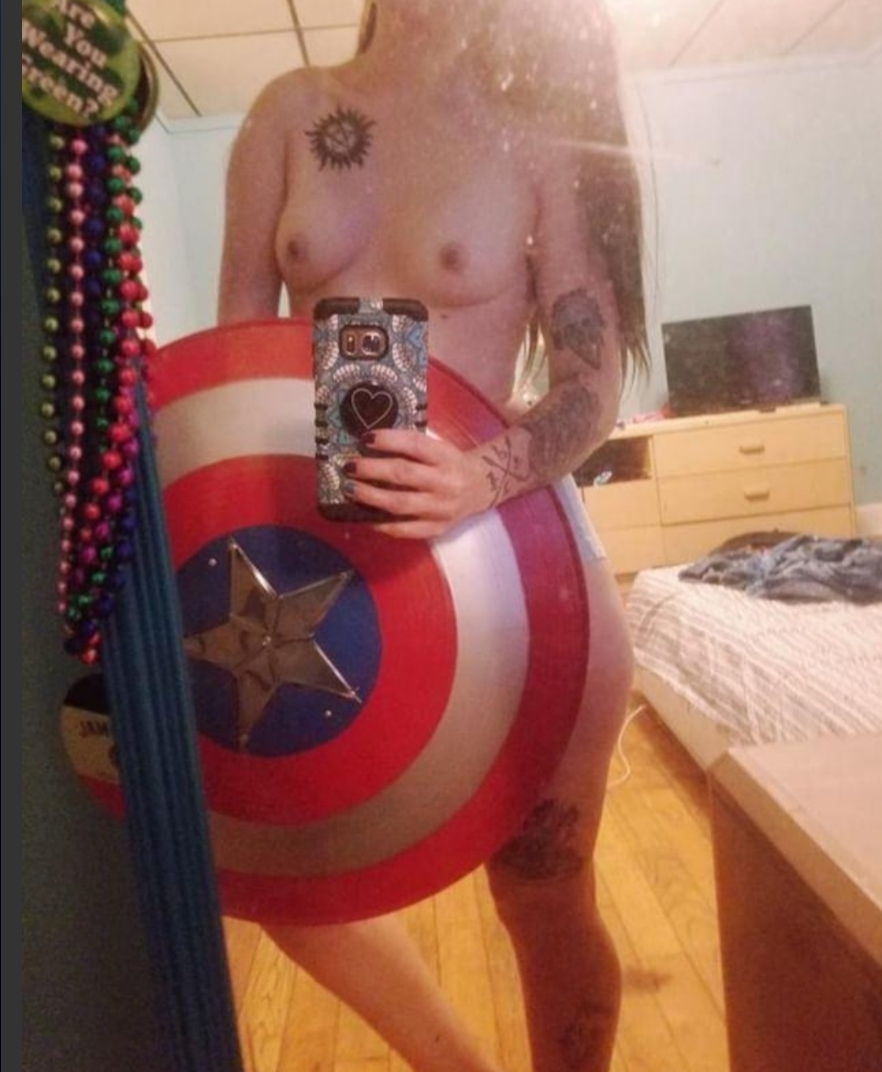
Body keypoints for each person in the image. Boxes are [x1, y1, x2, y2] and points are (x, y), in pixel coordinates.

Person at [217, 2, 649, 1070]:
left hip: (518, 556)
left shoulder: (536, 138)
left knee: (544, 891)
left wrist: (476, 476)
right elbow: (232, 359)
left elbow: (593, 384)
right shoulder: (287, 115)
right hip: (320, 565)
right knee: (285, 879)